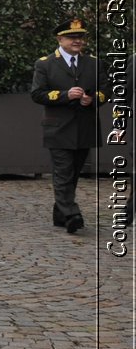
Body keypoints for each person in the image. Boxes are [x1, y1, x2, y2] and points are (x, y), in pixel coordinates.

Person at [30, 19, 108, 234]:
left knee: (73, 173)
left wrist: (92, 99)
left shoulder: (94, 63)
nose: (77, 41)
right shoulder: (45, 64)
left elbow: (104, 90)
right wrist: (65, 95)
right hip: (58, 127)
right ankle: (72, 214)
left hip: (85, 126)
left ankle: (60, 213)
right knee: (63, 172)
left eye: (80, 37)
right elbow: (37, 94)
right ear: (60, 39)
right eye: (72, 37)